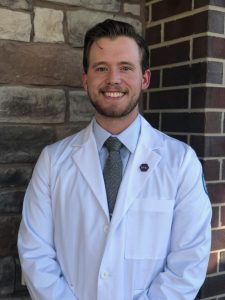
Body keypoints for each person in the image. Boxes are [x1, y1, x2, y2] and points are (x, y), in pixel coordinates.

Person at [18, 19, 212, 300]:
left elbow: (188, 263)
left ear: (144, 78)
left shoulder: (181, 163)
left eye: (125, 67)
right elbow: (35, 254)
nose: (113, 79)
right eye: (101, 68)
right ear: (86, 79)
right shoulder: (53, 161)